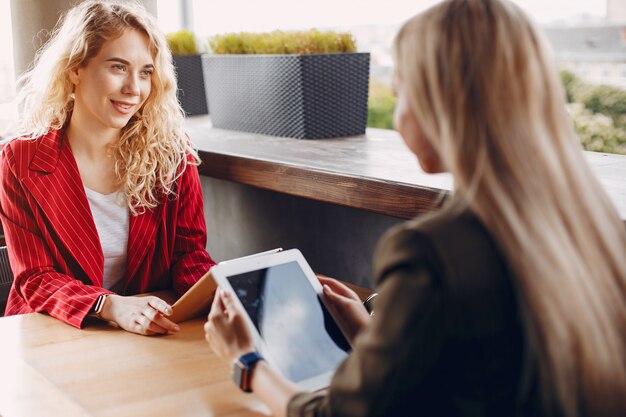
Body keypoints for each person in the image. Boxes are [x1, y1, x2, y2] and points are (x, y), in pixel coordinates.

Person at [204, 0, 626, 415]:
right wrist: (368, 331)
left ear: (440, 103)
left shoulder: (432, 251)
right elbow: (480, 372)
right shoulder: (597, 229)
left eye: (402, 89)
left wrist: (247, 361)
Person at [0, 1, 215, 335]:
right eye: (118, 67)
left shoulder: (172, 154)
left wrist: (228, 292)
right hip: (52, 332)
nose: (135, 89)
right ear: (75, 68)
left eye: (145, 72)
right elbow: (35, 278)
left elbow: (189, 255)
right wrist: (110, 305)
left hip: (146, 331)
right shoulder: (22, 159)